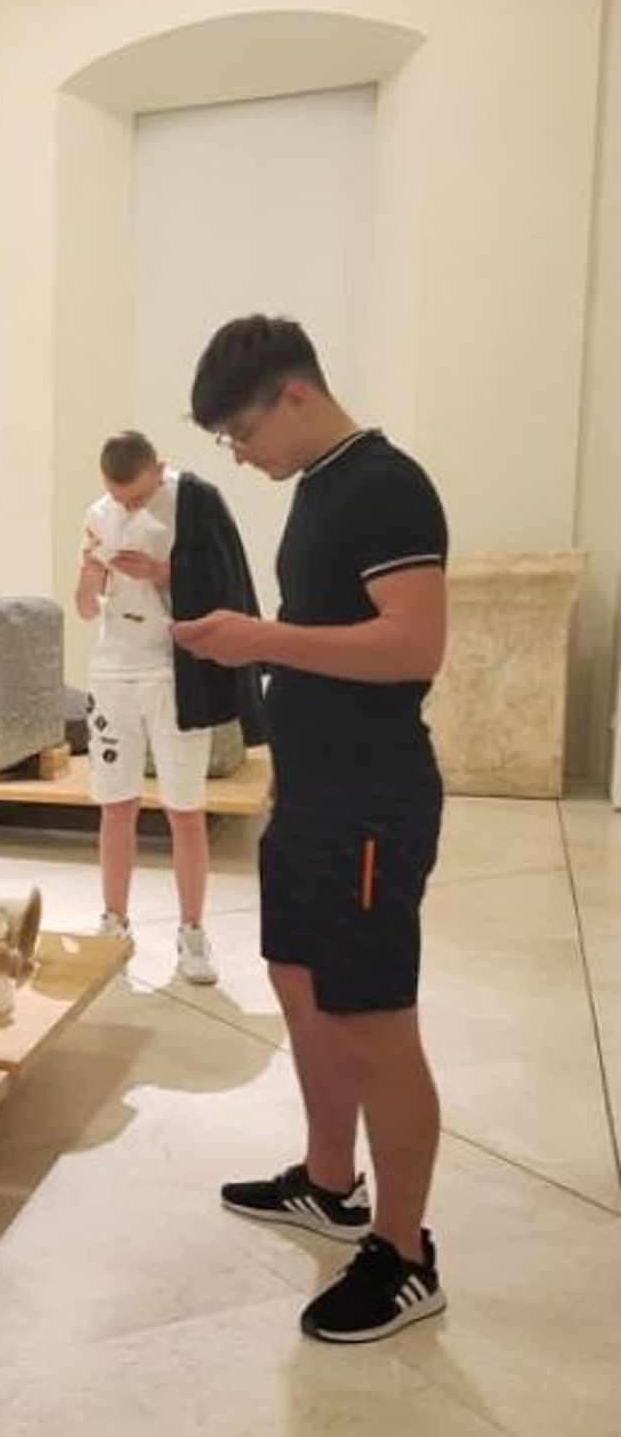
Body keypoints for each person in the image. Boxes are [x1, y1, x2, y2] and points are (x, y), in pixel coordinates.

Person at [174, 315, 448, 1344]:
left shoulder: (386, 486)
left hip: (371, 798)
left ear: (295, 394)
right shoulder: (321, 487)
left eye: (243, 434)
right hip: (315, 790)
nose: (241, 456)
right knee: (299, 983)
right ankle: (330, 1183)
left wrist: (263, 639)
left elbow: (415, 646)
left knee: (375, 1019)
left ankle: (406, 1252)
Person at [76, 430, 264, 985]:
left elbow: (228, 580)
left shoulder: (194, 501)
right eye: (119, 498)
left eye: (137, 496)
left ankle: (192, 931)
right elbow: (85, 609)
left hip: (174, 671)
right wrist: (91, 576)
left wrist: (160, 573)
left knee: (185, 809)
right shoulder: (99, 513)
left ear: (158, 469)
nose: (128, 506)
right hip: (114, 669)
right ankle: (113, 923)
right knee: (115, 805)